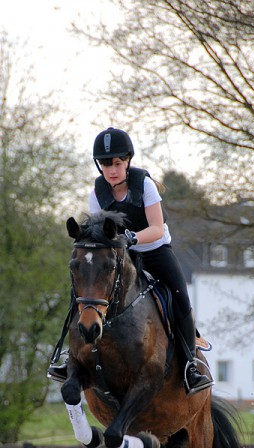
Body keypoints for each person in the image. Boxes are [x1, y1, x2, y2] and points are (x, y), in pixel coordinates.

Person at [48, 127, 213, 396]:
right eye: (105, 164)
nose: (111, 169)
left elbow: (157, 229)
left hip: (155, 250)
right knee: (85, 293)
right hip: (120, 256)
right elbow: (99, 235)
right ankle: (72, 356)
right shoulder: (97, 192)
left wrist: (131, 239)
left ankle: (190, 365)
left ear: (127, 162)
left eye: (117, 163)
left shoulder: (144, 185)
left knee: (180, 295)